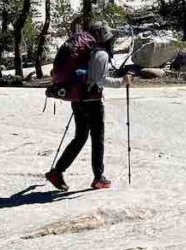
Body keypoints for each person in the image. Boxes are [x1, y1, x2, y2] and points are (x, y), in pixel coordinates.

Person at [45, 21, 132, 192]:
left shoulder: (87, 52)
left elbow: (93, 75)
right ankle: (98, 177)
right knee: (97, 139)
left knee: (80, 137)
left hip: (78, 99)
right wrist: (122, 81)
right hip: (92, 101)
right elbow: (100, 80)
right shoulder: (100, 54)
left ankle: (57, 171)